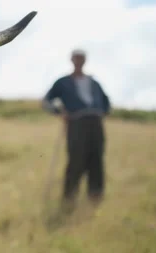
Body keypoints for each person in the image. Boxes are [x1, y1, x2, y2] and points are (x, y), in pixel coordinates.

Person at [42, 49, 111, 211]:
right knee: (76, 160)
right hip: (76, 122)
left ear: (85, 61)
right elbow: (47, 101)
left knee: (97, 160)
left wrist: (102, 113)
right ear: (72, 60)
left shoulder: (94, 82)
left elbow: (107, 102)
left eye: (82, 59)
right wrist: (60, 112)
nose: (79, 61)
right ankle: (69, 198)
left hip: (95, 122)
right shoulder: (63, 82)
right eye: (76, 58)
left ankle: (95, 198)